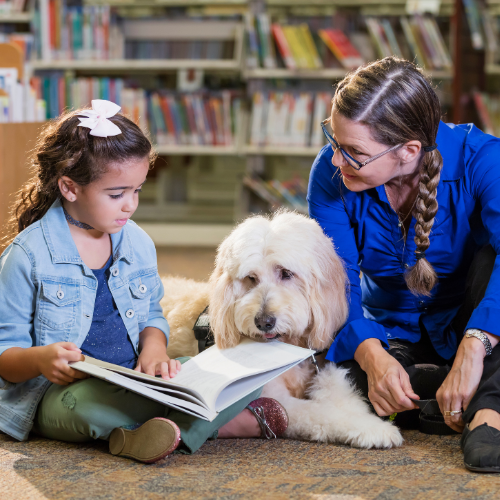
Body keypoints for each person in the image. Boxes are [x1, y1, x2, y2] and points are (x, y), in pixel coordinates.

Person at [0, 100, 288, 464]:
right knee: (84, 408)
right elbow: (4, 355)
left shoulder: (136, 242)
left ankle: (142, 436)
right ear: (69, 188)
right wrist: (41, 360)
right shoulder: (27, 255)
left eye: (137, 190)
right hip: (60, 394)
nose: (130, 205)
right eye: (117, 194)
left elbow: (152, 313)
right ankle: (213, 427)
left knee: (239, 372)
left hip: (134, 378)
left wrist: (154, 349)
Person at [308, 57, 500, 472]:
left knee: (491, 261)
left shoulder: (482, 159)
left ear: (409, 151)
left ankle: (486, 406)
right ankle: (449, 391)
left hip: (476, 318)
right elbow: (335, 280)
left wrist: (476, 343)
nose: (337, 161)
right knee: (346, 384)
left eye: (354, 152)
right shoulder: (329, 171)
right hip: (391, 327)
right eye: (333, 141)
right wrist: (371, 354)